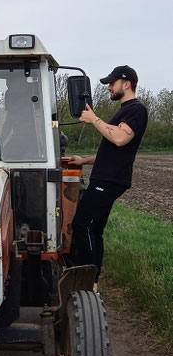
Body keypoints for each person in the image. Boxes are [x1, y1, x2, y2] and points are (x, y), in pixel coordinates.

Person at [69, 65, 148, 292]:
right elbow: (111, 150)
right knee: (94, 229)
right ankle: (93, 281)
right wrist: (83, 161)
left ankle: (85, 279)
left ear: (127, 83)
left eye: (112, 84)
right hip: (105, 177)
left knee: (81, 223)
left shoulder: (136, 109)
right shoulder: (124, 110)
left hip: (110, 180)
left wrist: (94, 119)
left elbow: (120, 139)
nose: (109, 88)